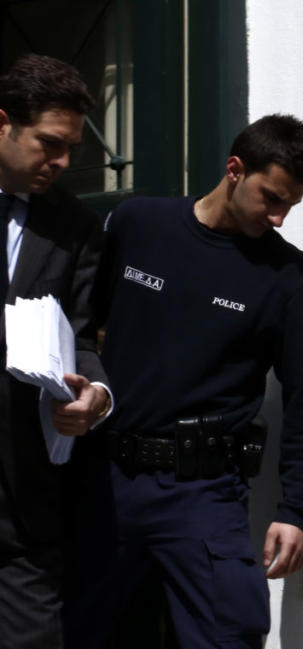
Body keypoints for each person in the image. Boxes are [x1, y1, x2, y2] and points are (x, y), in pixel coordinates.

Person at [63, 114, 303, 649]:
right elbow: (76, 326)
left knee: (230, 635)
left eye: (291, 206)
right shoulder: (137, 224)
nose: (278, 218)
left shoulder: (291, 278)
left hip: (203, 492)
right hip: (105, 480)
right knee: (77, 631)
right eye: (271, 198)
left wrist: (298, 511)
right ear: (235, 170)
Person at [0, 54, 112, 649]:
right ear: (3, 124)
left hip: (25, 492)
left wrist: (95, 395)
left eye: (70, 148)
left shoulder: (75, 226)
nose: (63, 161)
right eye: (49, 143)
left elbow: (83, 336)